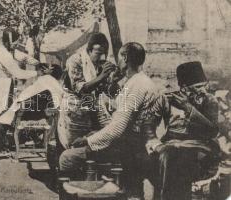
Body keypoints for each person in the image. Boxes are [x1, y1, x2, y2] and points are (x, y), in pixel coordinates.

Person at [59, 42, 162, 198]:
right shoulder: (138, 81)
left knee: (66, 158)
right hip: (133, 143)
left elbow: (117, 128)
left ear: (125, 58)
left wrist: (88, 141)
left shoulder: (138, 85)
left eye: (119, 57)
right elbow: (115, 111)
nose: (116, 61)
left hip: (131, 148)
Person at [143, 61, 220, 200]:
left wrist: (188, 108)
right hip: (170, 145)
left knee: (174, 160)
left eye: (204, 85)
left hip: (200, 147)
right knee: (159, 157)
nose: (203, 90)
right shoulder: (167, 99)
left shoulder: (210, 100)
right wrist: (155, 143)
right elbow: (148, 124)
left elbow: (213, 130)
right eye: (198, 87)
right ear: (184, 88)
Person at [0, 64, 63, 160]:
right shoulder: (51, 82)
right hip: (35, 112)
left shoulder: (46, 79)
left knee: (1, 120)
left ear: (51, 71)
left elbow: (30, 96)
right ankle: (1, 147)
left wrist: (19, 105)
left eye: (49, 67)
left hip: (31, 113)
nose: (45, 68)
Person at [57, 32, 120, 150]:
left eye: (104, 53)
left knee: (100, 140)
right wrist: (102, 76)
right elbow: (80, 88)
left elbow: (103, 90)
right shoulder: (75, 60)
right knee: (74, 145)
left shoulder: (100, 65)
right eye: (98, 53)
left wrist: (113, 80)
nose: (102, 57)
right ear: (89, 50)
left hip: (93, 107)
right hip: (75, 109)